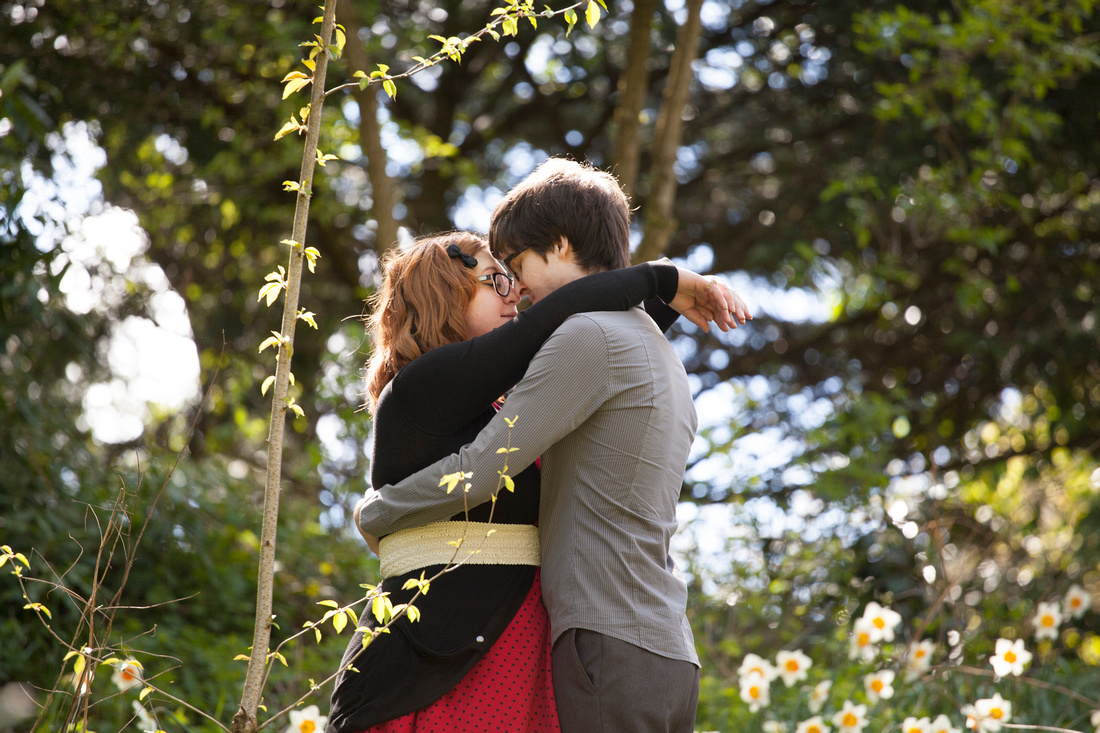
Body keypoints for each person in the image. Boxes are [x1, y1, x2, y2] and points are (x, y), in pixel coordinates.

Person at [356, 158, 751, 732]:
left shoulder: (589, 338)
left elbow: (488, 461)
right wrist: (662, 283)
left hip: (603, 642)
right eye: (496, 279)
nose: (515, 290)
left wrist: (380, 510)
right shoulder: (638, 345)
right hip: (638, 643)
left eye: (512, 267)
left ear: (560, 246)